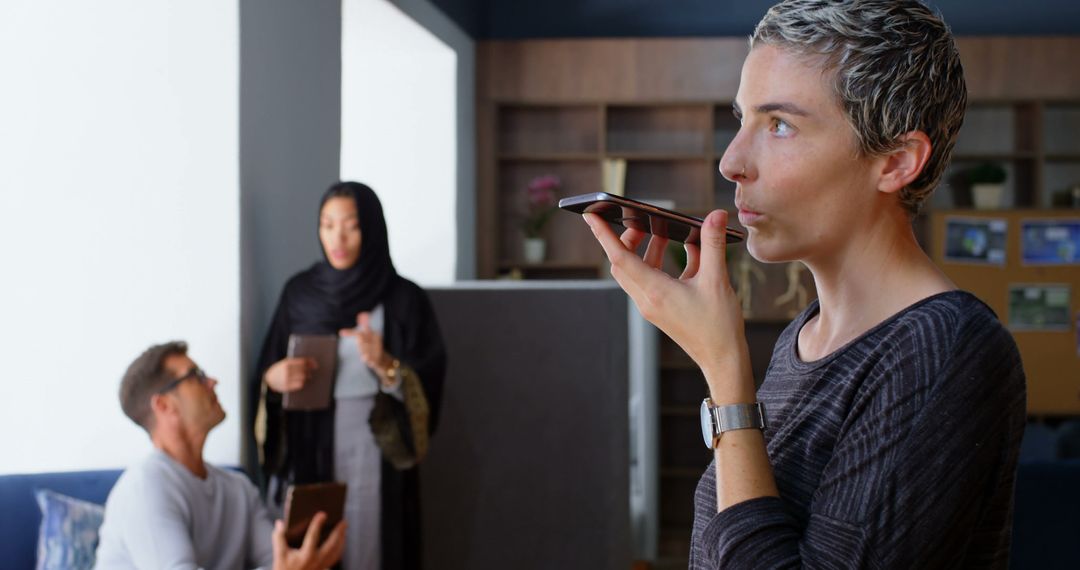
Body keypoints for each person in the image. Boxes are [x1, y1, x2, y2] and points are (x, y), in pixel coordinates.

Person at [580, 1, 1026, 567]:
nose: (731, 161)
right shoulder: (806, 334)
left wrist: (724, 372)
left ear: (895, 162)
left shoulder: (947, 350)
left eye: (781, 125)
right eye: (741, 120)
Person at [252, 181, 446, 570]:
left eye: (351, 226)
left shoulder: (404, 299)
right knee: (315, 543)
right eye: (327, 225)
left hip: (377, 448)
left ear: (371, 229)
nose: (337, 237)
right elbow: (267, 374)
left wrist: (386, 364)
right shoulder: (300, 294)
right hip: (310, 446)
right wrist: (274, 380)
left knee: (375, 544)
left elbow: (429, 379)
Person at [95, 341, 346, 569]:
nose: (212, 381)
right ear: (164, 405)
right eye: (196, 376)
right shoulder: (145, 487)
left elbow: (275, 562)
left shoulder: (238, 488)